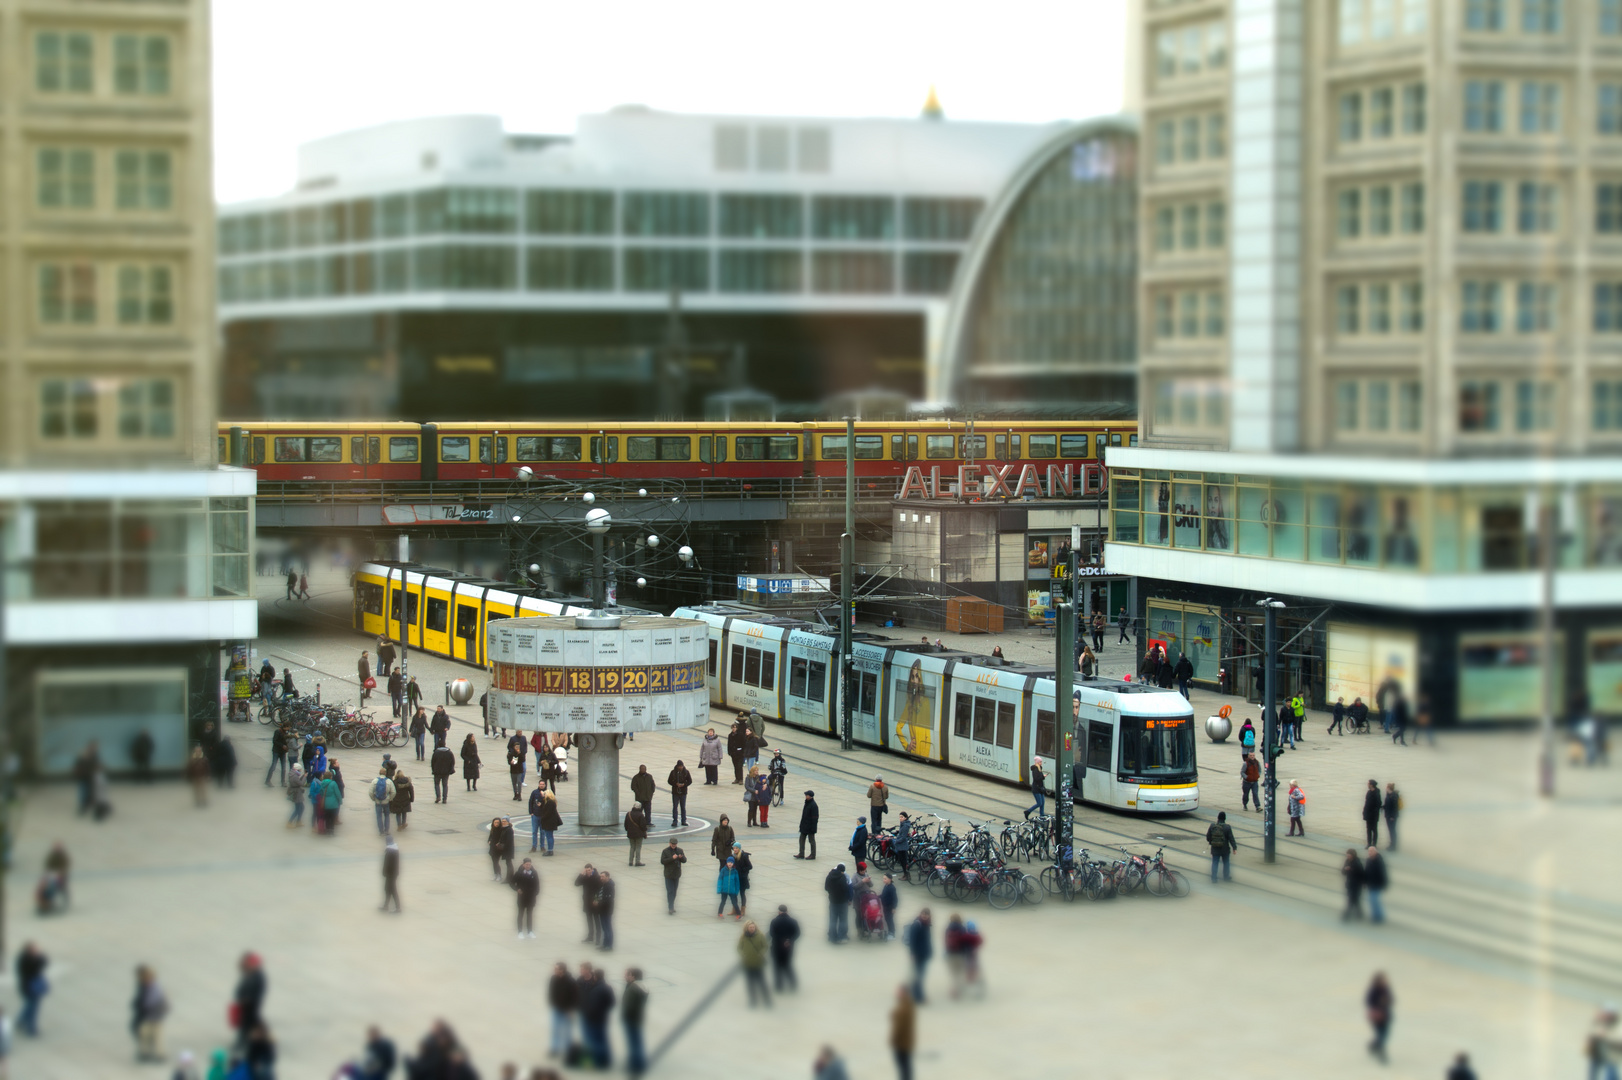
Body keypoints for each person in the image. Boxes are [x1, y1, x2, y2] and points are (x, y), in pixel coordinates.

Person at [579, 968, 616, 1070]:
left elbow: (593, 1007)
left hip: (594, 1019)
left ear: (596, 976)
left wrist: (588, 1014)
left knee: (595, 1041)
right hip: (603, 1018)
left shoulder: (596, 989)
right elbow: (612, 1002)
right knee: (603, 1039)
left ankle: (599, 1062)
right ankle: (606, 1060)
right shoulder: (608, 987)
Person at [131, 964, 169, 1063]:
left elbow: (150, 1003)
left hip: (153, 1016)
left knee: (155, 1036)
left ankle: (158, 1055)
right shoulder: (144, 986)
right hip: (148, 1016)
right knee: (145, 1035)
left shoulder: (154, 988)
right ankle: (146, 1053)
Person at [233, 952, 267, 1048]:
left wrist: (248, 999)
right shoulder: (250, 973)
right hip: (246, 1003)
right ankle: (256, 1038)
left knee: (248, 1022)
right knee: (249, 1022)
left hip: (251, 1004)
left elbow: (257, 991)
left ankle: (242, 1042)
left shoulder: (258, 977)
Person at [547, 963, 577, 1061]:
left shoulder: (570, 981)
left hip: (567, 1010)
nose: (554, 970)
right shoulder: (553, 978)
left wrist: (571, 1009)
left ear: (562, 970)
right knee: (555, 1029)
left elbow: (575, 996)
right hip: (557, 1008)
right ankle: (555, 1048)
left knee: (567, 1031)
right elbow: (551, 991)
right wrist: (552, 1002)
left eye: (556, 969)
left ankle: (568, 1050)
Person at [621, 969, 648, 1077]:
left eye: (627, 975)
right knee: (636, 1042)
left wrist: (625, 1015)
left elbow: (629, 1006)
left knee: (634, 1043)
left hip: (632, 1019)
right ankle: (637, 1063)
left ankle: (636, 1066)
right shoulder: (640, 986)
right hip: (636, 1019)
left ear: (633, 976)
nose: (625, 977)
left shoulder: (633, 988)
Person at [737, 921, 771, 1007]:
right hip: (748, 963)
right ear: (747, 928)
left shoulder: (760, 936)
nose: (752, 929)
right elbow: (739, 948)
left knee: (761, 983)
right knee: (750, 984)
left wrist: (761, 953)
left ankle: (767, 1000)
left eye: (753, 927)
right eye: (750, 927)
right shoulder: (743, 937)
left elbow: (765, 946)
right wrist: (743, 954)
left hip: (758, 963)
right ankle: (753, 1000)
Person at [769, 905, 800, 992]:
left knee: (777, 967)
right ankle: (793, 983)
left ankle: (779, 985)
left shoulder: (774, 921)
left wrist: (782, 941)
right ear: (787, 911)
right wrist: (789, 940)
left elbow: (772, 934)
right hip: (788, 948)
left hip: (777, 948)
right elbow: (797, 933)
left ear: (779, 911)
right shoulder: (793, 921)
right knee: (788, 966)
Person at [903, 908, 932, 1001]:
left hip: (924, 953)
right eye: (923, 914)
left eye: (926, 914)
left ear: (929, 916)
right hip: (918, 954)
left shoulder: (927, 924)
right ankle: (918, 996)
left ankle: (914, 993)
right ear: (920, 914)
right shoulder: (917, 924)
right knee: (919, 975)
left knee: (919, 974)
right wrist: (912, 953)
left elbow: (927, 940)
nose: (924, 915)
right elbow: (912, 940)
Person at [1365, 971, 1394, 1063]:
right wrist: (1379, 1003)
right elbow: (1369, 1002)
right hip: (1376, 1017)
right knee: (1381, 1035)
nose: (1384, 981)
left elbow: (1392, 1000)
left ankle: (1373, 1046)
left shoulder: (1386, 989)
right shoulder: (1373, 990)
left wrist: (1387, 1001)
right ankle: (1381, 1054)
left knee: (1384, 1034)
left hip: (1386, 1016)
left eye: (1384, 980)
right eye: (1382, 980)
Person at [889, 983, 916, 1080]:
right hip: (907, 1043)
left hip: (901, 1043)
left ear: (903, 993)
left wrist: (892, 1040)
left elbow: (898, 1027)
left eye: (898, 992)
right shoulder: (909, 1004)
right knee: (906, 1067)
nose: (896, 993)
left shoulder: (903, 1008)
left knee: (903, 1067)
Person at [1206, 811, 1237, 883]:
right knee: (1226, 863)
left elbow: (1208, 837)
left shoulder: (1212, 826)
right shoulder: (1227, 827)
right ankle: (1226, 876)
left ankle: (1214, 878)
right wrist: (1234, 848)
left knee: (1215, 863)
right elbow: (1231, 838)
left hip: (1215, 848)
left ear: (1218, 818)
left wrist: (1212, 842)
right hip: (1225, 849)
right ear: (1225, 818)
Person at [513, 857, 540, 938]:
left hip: (531, 897)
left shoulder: (534, 873)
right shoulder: (519, 873)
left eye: (529, 864)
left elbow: (537, 884)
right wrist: (517, 889)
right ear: (523, 864)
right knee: (521, 914)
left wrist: (535, 893)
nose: (528, 866)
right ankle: (520, 931)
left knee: (530, 914)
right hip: (522, 897)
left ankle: (530, 931)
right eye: (526, 864)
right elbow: (511, 882)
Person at [575, 864, 602, 944]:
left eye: (589, 870)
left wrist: (596, 900)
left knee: (596, 920)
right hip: (587, 902)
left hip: (594, 902)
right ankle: (590, 936)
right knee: (589, 920)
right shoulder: (585, 877)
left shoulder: (597, 877)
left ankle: (598, 938)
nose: (588, 872)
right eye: (586, 871)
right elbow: (576, 883)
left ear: (592, 869)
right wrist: (581, 874)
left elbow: (599, 889)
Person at [825, 863, 851, 942]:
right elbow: (846, 889)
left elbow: (826, 887)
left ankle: (832, 936)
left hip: (832, 901)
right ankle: (841, 936)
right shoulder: (842, 877)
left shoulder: (829, 876)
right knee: (843, 920)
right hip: (842, 902)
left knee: (833, 920)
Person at [660, 838, 686, 914]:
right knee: (670, 891)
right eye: (672, 844)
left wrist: (681, 857)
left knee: (674, 892)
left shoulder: (680, 850)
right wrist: (672, 858)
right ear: (669, 843)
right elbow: (663, 861)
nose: (674, 845)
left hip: (676, 874)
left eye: (675, 844)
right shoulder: (665, 851)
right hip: (668, 874)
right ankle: (670, 907)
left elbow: (685, 860)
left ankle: (672, 905)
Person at [1364, 846, 1389, 924]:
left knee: (1374, 900)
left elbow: (1383, 873)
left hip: (1376, 884)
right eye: (1369, 851)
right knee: (1373, 900)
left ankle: (1378, 916)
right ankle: (1377, 916)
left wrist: (1384, 884)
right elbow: (1366, 872)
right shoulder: (1368, 860)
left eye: (1371, 851)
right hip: (1371, 884)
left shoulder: (1379, 861)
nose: (1369, 853)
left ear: (1375, 852)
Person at [488, 816, 515, 883]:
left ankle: (508, 878)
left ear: (508, 822)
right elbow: (491, 837)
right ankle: (507, 878)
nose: (503, 823)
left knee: (509, 864)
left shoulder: (508, 829)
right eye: (502, 821)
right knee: (507, 863)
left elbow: (508, 841)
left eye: (504, 821)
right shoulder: (504, 829)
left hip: (507, 849)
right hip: (503, 849)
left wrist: (500, 844)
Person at [370, 769, 396, 836]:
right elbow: (393, 792)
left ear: (379, 773)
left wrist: (374, 798)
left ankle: (381, 831)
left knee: (379, 816)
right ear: (385, 773)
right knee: (387, 815)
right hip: (386, 801)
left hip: (378, 801)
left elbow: (370, 792)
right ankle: (386, 830)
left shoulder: (375, 781)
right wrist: (390, 799)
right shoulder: (389, 781)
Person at [595, 870, 616, 951]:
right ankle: (604, 944)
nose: (601, 878)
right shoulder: (602, 884)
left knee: (608, 927)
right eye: (600, 876)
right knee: (604, 927)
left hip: (607, 910)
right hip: (602, 910)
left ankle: (609, 945)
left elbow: (608, 899)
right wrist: (596, 899)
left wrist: (599, 902)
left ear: (607, 877)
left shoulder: (610, 886)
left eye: (603, 877)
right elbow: (598, 893)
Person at [1341, 848, 1364, 921]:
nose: (1347, 857)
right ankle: (1359, 914)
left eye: (1349, 856)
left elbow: (1361, 873)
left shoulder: (1357, 862)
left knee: (1351, 900)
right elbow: (1343, 871)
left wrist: (1351, 869)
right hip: (1349, 884)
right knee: (1355, 900)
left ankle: (1346, 915)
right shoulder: (1347, 861)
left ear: (1352, 855)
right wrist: (1345, 869)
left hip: (1356, 885)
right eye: (1347, 855)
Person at [666, 760, 692, 826]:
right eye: (679, 766)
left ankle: (683, 820)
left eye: (681, 766)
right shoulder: (673, 772)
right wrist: (675, 784)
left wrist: (684, 784)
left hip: (683, 792)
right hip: (675, 792)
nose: (680, 767)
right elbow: (669, 781)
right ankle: (675, 820)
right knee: (675, 807)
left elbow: (690, 781)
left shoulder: (686, 772)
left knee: (683, 807)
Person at [538, 789, 563, 856]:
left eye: (545, 794)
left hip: (549, 822)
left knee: (549, 836)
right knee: (549, 836)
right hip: (550, 821)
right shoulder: (550, 801)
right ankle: (550, 850)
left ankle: (550, 850)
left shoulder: (550, 802)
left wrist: (542, 818)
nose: (544, 795)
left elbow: (547, 813)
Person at [797, 790, 820, 859]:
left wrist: (813, 828)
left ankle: (813, 854)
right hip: (804, 825)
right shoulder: (807, 803)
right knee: (801, 839)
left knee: (811, 840)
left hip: (810, 827)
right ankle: (801, 853)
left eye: (806, 795)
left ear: (810, 796)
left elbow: (815, 818)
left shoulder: (813, 805)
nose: (805, 796)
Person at [381, 838, 402, 913]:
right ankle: (386, 905)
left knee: (392, 890)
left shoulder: (390, 851)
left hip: (390, 875)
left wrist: (384, 872)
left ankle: (398, 907)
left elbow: (388, 864)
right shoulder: (393, 850)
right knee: (387, 889)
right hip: (392, 874)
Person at [1363, 779, 1383, 846]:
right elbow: (1366, 803)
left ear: (1371, 785)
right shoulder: (1368, 792)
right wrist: (1364, 812)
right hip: (1368, 814)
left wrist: (1375, 812)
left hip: (1374, 815)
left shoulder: (1377, 793)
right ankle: (1369, 843)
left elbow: (1379, 804)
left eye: (1368, 783)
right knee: (1368, 829)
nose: (1367, 785)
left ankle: (1374, 844)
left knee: (1374, 829)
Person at [880, 873, 900, 939]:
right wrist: (877, 896)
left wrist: (894, 907)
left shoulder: (892, 888)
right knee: (887, 919)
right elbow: (883, 895)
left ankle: (892, 933)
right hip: (885, 906)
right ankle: (890, 931)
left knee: (889, 919)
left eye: (885, 879)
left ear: (890, 879)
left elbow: (895, 898)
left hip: (890, 907)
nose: (884, 880)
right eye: (883, 879)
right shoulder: (886, 886)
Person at [1383, 782, 1401, 850]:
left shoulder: (1394, 796)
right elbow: (1387, 805)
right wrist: (1383, 807)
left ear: (1388, 788)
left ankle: (1393, 846)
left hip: (1392, 817)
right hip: (1388, 815)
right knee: (1390, 830)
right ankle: (1391, 844)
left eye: (1386, 787)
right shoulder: (1388, 795)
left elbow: (1395, 807)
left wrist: (1392, 817)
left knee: (1392, 831)